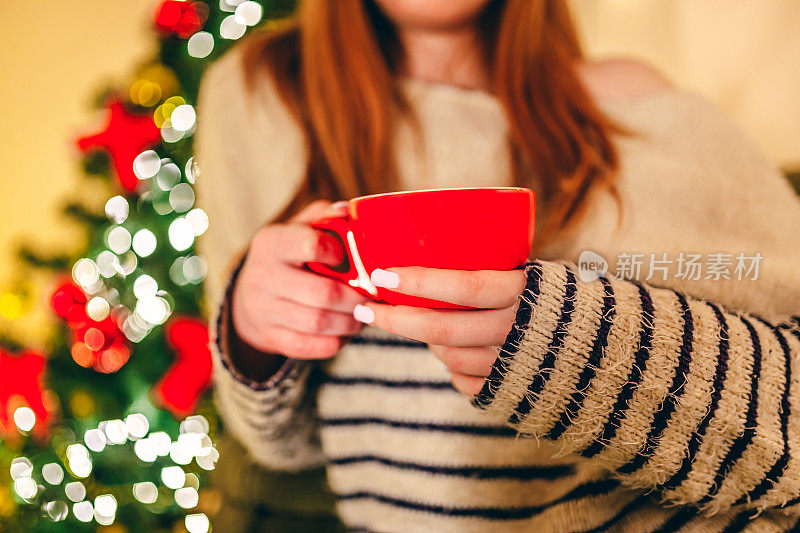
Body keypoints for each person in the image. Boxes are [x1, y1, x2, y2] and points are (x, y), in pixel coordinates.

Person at [194, 1, 800, 531]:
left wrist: (569, 343)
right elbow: (279, 441)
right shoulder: (263, 95)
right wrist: (253, 329)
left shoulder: (639, 108)